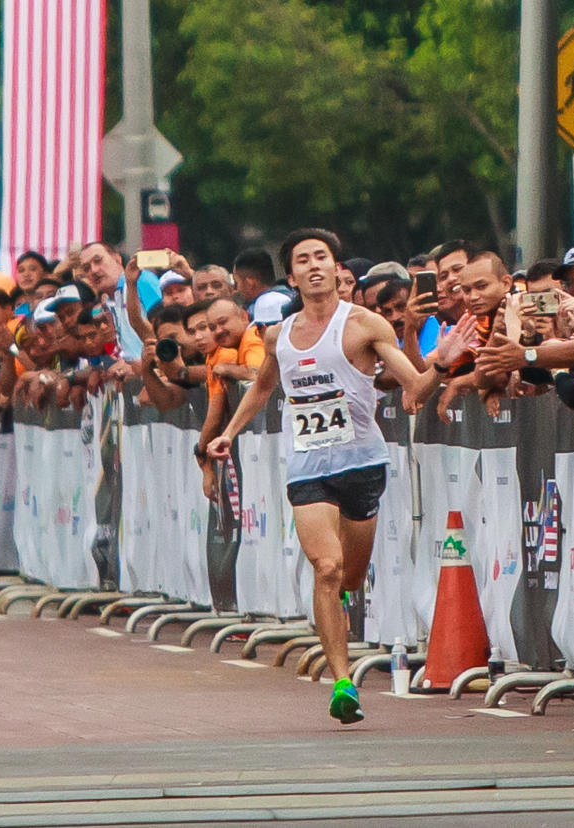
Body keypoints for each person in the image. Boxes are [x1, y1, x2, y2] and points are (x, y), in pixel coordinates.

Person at [207, 227, 472, 725]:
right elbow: (263, 389)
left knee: (349, 575)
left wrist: (441, 361)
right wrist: (230, 434)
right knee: (326, 569)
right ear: (291, 277)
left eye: (321, 258)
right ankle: (344, 682)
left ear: (335, 268)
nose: (313, 266)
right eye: (303, 260)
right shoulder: (278, 335)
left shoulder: (365, 325)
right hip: (307, 466)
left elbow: (414, 389)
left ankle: (340, 617)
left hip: (361, 463)